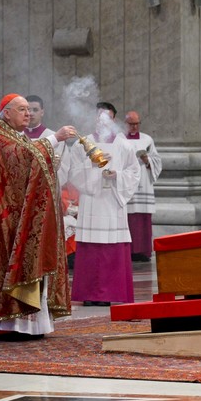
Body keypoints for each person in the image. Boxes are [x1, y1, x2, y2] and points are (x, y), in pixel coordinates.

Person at [0, 94, 76, 341]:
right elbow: (23, 157)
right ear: (6, 113)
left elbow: (29, 160)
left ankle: (30, 324)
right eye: (22, 109)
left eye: (29, 110)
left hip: (23, 214)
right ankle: (10, 325)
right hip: (7, 220)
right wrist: (55, 138)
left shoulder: (16, 136)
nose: (27, 114)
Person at [66, 104, 140, 306]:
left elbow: (134, 173)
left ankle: (110, 293)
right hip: (92, 201)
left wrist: (117, 175)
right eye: (100, 118)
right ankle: (89, 294)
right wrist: (93, 165)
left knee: (112, 250)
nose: (103, 121)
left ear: (114, 120)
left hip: (113, 201)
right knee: (91, 250)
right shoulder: (83, 144)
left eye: (108, 118)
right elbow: (73, 173)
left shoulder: (124, 145)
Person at [123, 110, 161, 262]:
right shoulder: (119, 138)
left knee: (142, 218)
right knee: (128, 218)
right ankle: (128, 251)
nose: (134, 127)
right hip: (127, 183)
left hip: (143, 183)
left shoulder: (147, 139)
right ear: (125, 123)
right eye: (131, 124)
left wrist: (147, 159)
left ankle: (143, 251)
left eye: (136, 124)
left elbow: (157, 161)